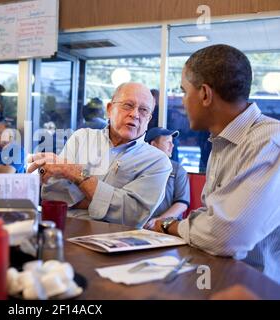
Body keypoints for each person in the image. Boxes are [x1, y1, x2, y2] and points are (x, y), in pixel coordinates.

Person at [148, 44, 280, 283]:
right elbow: (212, 215)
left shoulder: (269, 142)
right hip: (217, 276)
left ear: (205, 94)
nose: (182, 102)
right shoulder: (221, 142)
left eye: (184, 91)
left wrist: (169, 225)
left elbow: (226, 235)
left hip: (256, 289)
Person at [28, 82, 172, 228]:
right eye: (128, 105)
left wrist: (75, 173)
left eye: (143, 110)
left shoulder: (158, 161)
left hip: (116, 242)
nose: (135, 114)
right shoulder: (81, 138)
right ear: (109, 109)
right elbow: (52, 195)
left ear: (149, 119)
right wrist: (106, 201)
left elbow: (131, 215)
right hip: (66, 231)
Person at [143, 127, 190, 230]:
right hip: (139, 224)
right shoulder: (139, 167)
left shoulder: (178, 170)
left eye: (172, 142)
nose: (172, 146)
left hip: (167, 227)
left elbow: (182, 204)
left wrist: (158, 221)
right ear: (154, 145)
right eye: (168, 142)